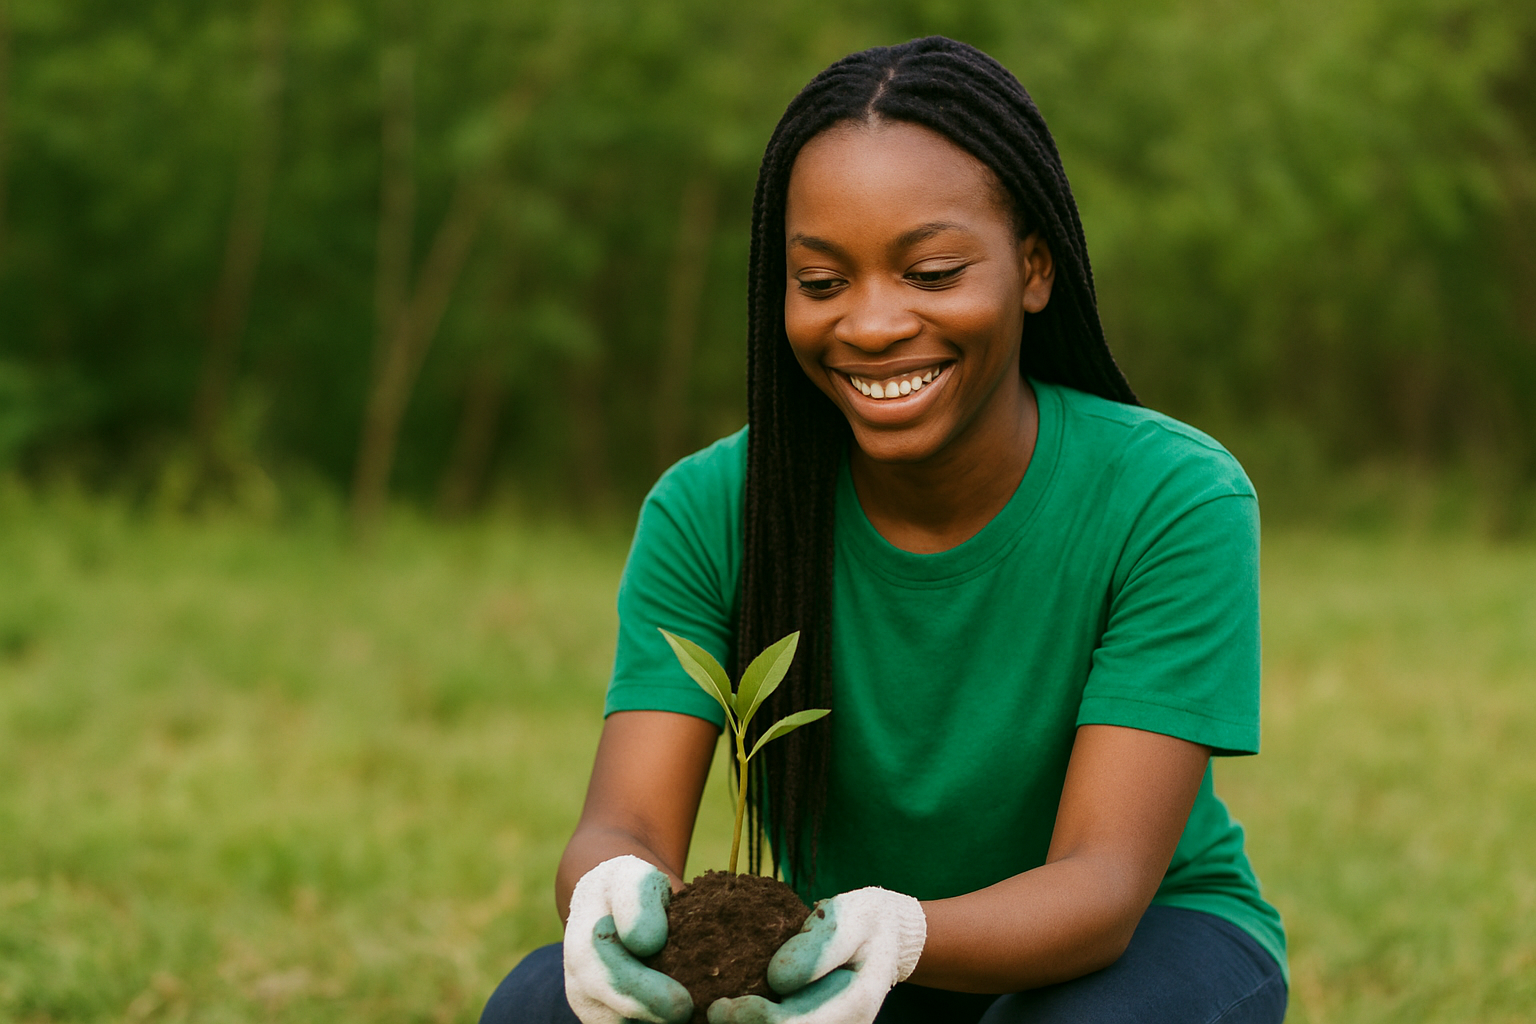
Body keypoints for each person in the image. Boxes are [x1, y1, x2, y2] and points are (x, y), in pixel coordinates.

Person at [481, 35, 1287, 1024]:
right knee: (539, 1007)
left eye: (933, 272)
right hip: (828, 955)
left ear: (1033, 268)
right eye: (822, 283)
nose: (870, 324)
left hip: (1127, 955)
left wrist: (900, 937)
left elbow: (1103, 884)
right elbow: (627, 819)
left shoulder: (1171, 498)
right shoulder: (709, 511)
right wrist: (612, 895)